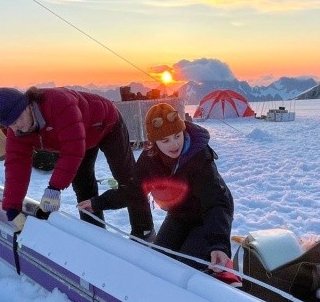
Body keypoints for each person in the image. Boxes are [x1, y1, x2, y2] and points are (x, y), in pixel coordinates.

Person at [82, 102, 235, 279]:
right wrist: (97, 203)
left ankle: (220, 273)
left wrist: (219, 244)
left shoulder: (199, 158)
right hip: (179, 214)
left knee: (185, 267)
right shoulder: (149, 159)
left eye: (177, 136)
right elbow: (133, 191)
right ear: (154, 141)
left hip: (207, 216)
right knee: (158, 260)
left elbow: (217, 203)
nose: (174, 144)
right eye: (165, 140)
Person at [0, 86, 154, 237]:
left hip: (106, 124)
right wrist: (12, 207)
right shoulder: (17, 132)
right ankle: (94, 233)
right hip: (79, 137)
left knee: (128, 180)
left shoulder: (58, 103)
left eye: (17, 120)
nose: (16, 127)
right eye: (9, 125)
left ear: (27, 105)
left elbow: (72, 150)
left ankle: (144, 231)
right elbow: (16, 167)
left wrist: (54, 189)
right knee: (83, 185)